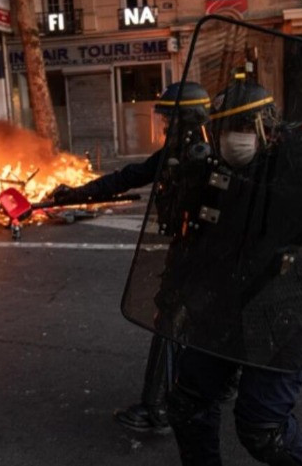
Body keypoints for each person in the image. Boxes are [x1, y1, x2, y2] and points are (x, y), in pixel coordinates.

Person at [160, 79, 302, 466]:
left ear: (266, 126)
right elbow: (201, 235)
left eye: (239, 129)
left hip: (286, 306)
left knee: (262, 429)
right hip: (228, 301)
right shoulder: (218, 167)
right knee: (187, 402)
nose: (229, 140)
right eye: (223, 130)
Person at [50, 81, 238, 435]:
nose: (164, 126)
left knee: (169, 322)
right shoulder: (175, 153)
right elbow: (128, 177)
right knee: (205, 323)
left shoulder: (208, 156)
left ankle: (158, 409)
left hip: (203, 254)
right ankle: (222, 383)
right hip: (193, 250)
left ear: (186, 118)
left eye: (170, 119)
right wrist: (74, 195)